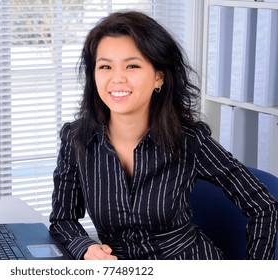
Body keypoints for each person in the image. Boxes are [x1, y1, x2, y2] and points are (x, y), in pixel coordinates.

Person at [49, 10, 278, 260]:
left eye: (132, 65)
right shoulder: (76, 140)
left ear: (159, 76)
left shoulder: (188, 139)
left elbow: (264, 205)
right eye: (105, 66)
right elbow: (63, 219)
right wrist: (86, 247)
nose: (116, 78)